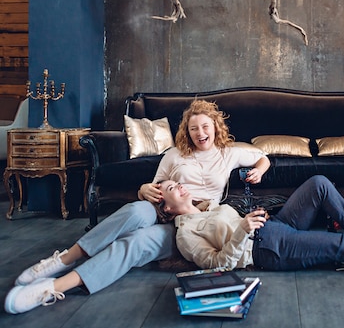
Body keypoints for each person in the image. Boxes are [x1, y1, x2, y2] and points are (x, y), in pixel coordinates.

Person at [4, 100, 273, 315]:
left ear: (215, 127)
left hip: (192, 225)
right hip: (162, 207)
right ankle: (63, 259)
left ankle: (53, 287)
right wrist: (143, 189)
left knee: (137, 242)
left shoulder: (229, 153)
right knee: (136, 211)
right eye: (193, 128)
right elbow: (155, 186)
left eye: (205, 127)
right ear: (186, 132)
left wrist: (259, 172)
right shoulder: (174, 154)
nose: (200, 133)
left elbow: (263, 157)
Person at [158, 176, 344, 274]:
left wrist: (251, 220)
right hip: (265, 250)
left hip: (273, 226)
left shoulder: (207, 205)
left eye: (177, 183)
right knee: (343, 246)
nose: (180, 186)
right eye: (172, 188)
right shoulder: (186, 234)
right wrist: (241, 231)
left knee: (319, 184)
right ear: (168, 209)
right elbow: (217, 265)